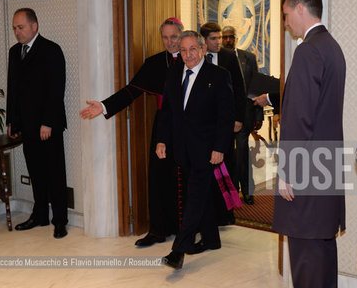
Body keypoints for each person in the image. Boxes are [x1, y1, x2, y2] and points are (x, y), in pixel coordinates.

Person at [80, 18, 183, 247]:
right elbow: (131, 91)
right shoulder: (155, 63)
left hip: (189, 128)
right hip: (163, 128)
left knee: (187, 178)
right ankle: (158, 231)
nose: (169, 42)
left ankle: (188, 229)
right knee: (158, 178)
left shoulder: (193, 59)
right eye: (165, 37)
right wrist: (104, 106)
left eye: (173, 37)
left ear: (181, 35)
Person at [271, 0, 346, 288]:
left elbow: (300, 117)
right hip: (324, 169)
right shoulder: (332, 47)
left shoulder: (308, 50)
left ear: (301, 8)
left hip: (305, 173)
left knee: (306, 260)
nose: (286, 23)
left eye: (287, 15)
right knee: (322, 254)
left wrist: (288, 171)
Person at [156, 30, 234, 270]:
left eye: (193, 49)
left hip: (207, 149)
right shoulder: (174, 72)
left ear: (202, 50)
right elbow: (167, 110)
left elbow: (226, 115)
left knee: (195, 197)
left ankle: (178, 250)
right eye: (184, 50)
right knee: (201, 195)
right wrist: (162, 140)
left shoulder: (219, 76)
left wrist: (220, 148)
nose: (188, 55)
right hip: (182, 148)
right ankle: (211, 239)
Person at [6, 8, 68, 239]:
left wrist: (48, 122)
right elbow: (13, 88)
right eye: (14, 28)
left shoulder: (51, 50)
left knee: (55, 172)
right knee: (36, 173)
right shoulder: (14, 52)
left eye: (20, 27)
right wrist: (11, 120)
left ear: (34, 26)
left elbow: (56, 89)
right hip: (26, 125)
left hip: (47, 126)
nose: (17, 32)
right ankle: (40, 214)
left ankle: (60, 220)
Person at [200, 22, 245, 224]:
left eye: (219, 38)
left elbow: (239, 88)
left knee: (228, 164)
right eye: (214, 39)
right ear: (204, 40)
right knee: (207, 167)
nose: (219, 42)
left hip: (226, 122)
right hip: (204, 125)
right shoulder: (196, 57)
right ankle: (210, 211)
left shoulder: (228, 56)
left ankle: (228, 212)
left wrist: (238, 118)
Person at [221, 25, 263, 205]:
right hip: (223, 116)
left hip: (245, 114)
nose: (228, 40)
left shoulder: (248, 58)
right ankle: (229, 193)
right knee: (226, 155)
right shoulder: (216, 59)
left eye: (231, 37)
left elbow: (256, 87)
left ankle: (246, 190)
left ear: (236, 38)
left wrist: (259, 115)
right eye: (225, 37)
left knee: (243, 153)